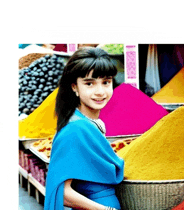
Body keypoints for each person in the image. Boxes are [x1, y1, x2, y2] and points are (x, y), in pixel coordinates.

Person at [44, 47, 124, 210]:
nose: (100, 92)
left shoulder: (92, 123)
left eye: (106, 82)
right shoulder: (75, 129)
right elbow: (63, 193)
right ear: (74, 87)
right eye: (89, 83)